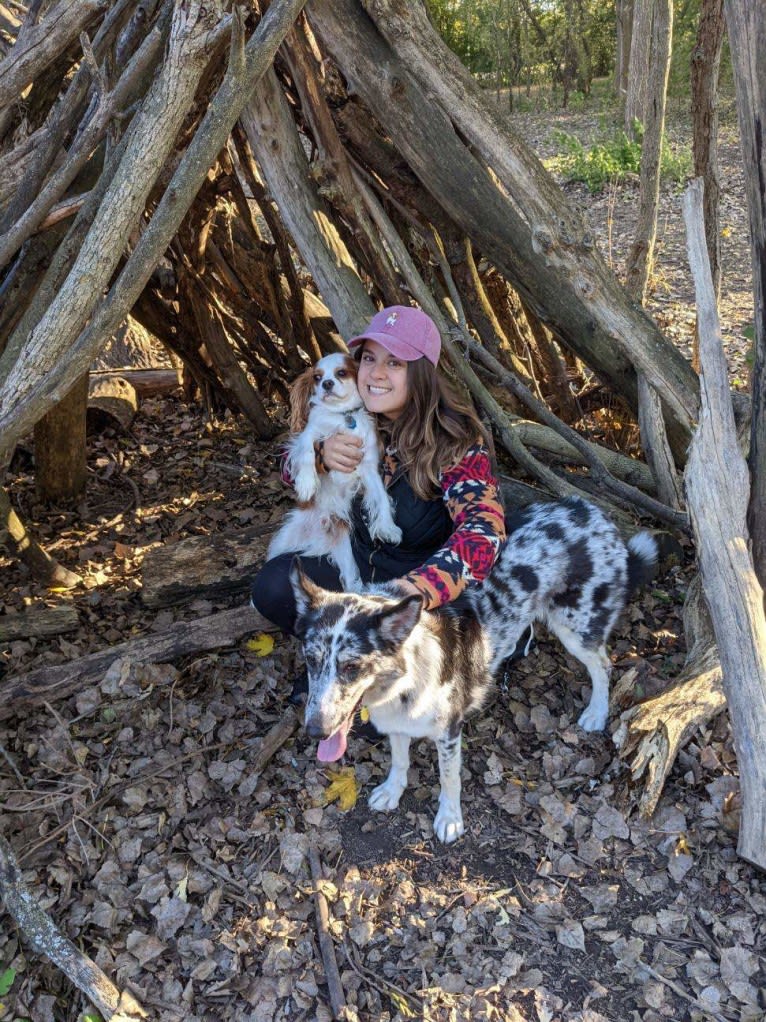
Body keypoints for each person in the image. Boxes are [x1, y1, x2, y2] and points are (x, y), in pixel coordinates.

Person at [250, 305, 532, 707]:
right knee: (274, 586)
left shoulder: (455, 441)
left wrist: (417, 588)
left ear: (420, 374)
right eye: (368, 359)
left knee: (390, 712)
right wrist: (317, 456)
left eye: (394, 363)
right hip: (359, 569)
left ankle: (393, 665)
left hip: (423, 591)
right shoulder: (353, 416)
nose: (376, 373)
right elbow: (287, 473)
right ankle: (345, 660)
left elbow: (483, 533)